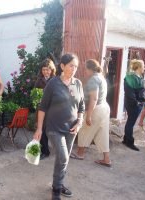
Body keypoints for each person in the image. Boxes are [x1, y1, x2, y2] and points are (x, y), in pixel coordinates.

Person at [33, 53, 85, 200]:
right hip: (54, 128)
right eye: (71, 66)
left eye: (76, 66)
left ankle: (59, 183)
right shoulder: (53, 84)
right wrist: (39, 128)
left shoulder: (78, 84)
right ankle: (56, 191)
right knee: (63, 157)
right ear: (62, 66)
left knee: (63, 159)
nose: (74, 69)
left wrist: (80, 121)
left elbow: (81, 106)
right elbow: (42, 107)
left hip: (72, 129)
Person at [70, 59, 111, 167]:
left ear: (89, 69)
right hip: (104, 107)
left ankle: (80, 153)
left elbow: (94, 98)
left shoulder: (93, 79)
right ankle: (106, 159)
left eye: (85, 69)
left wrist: (88, 115)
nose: (85, 71)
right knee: (102, 133)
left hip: (96, 108)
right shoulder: (101, 77)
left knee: (84, 130)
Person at [34, 58, 56, 160]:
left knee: (50, 130)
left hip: (52, 110)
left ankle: (58, 149)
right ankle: (45, 151)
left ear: (52, 70)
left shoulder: (55, 81)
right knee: (41, 129)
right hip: (41, 109)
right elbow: (35, 93)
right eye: (43, 70)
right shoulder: (39, 80)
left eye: (48, 69)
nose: (45, 72)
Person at [123, 59, 145, 151]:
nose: (144, 68)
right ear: (139, 67)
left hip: (137, 103)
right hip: (133, 104)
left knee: (130, 121)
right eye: (143, 66)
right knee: (131, 122)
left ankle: (126, 139)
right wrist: (137, 102)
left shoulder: (138, 77)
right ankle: (129, 142)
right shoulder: (130, 78)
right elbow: (129, 92)